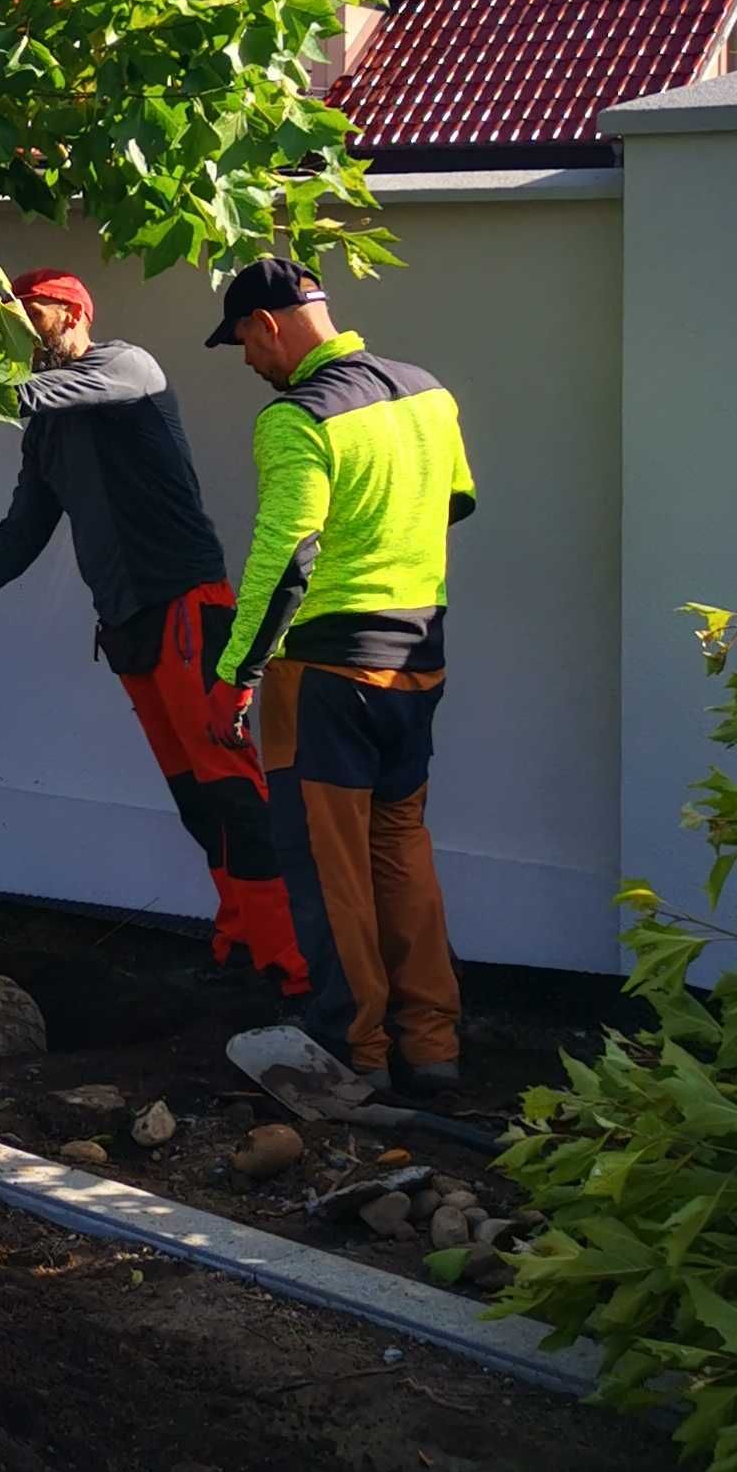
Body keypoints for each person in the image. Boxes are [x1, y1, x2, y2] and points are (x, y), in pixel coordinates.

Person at [0, 277, 303, 988]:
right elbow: (23, 530)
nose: (16, 327)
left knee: (232, 790)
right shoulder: (48, 427)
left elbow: (11, 396)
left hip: (185, 609)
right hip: (128, 625)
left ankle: (292, 965)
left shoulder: (126, 368)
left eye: (30, 313)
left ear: (75, 313)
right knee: (197, 800)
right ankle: (240, 943)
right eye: (5, 319)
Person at [202, 254, 476, 1101]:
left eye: (243, 344)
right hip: (418, 666)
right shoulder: (429, 392)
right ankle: (431, 1046)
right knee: (402, 855)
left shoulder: (298, 418)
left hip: (323, 677)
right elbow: (455, 500)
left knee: (330, 871)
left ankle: (353, 1055)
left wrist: (236, 672)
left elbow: (288, 554)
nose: (248, 364)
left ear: (267, 325)